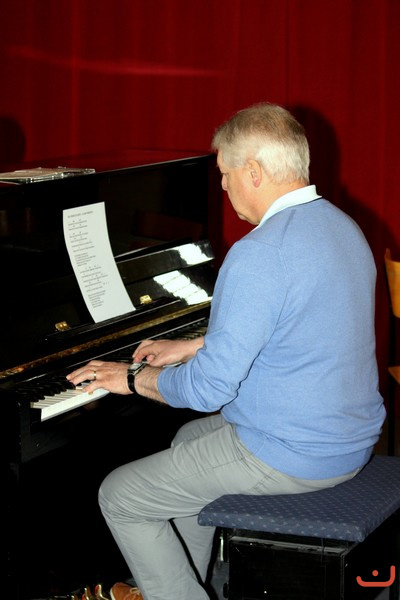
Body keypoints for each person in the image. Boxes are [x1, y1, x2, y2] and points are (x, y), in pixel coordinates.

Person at [67, 102, 386, 600]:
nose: (223, 185)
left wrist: (127, 378)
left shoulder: (260, 252)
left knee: (121, 495)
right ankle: (183, 583)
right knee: (187, 439)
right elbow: (300, 327)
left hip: (296, 452)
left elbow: (205, 390)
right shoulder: (340, 225)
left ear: (253, 172)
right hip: (348, 435)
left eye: (224, 173)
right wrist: (193, 345)